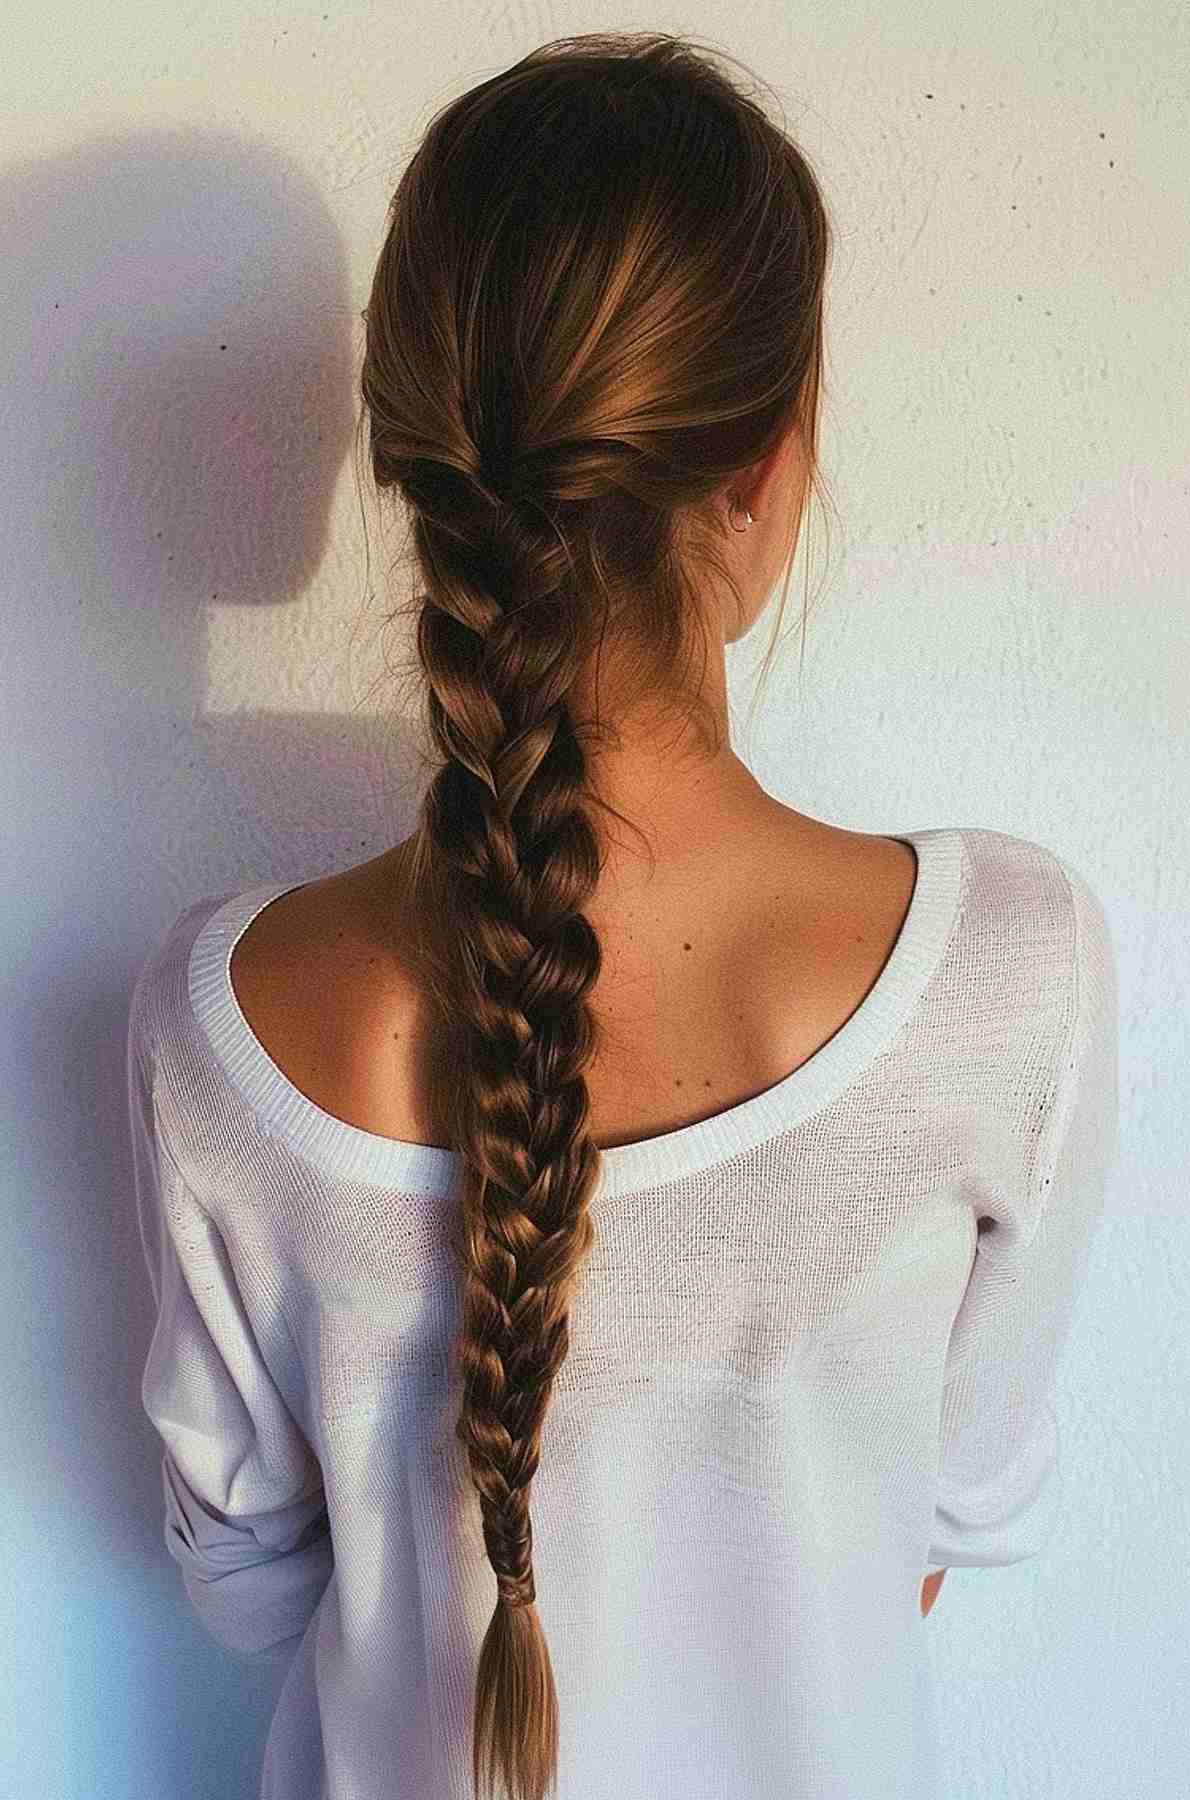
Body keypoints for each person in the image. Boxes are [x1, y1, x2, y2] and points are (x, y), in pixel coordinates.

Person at [127, 30, 1119, 1800]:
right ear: (762, 466)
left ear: (409, 465)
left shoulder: (224, 1020)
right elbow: (943, 1523)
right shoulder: (1003, 980)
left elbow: (247, 1585)